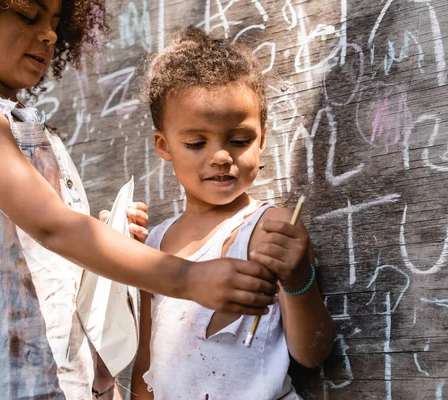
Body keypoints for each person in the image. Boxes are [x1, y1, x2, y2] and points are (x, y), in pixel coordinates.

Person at [0, 1, 279, 398]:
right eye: (28, 15)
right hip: (0, 382)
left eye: (56, 22)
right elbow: (54, 227)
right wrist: (189, 277)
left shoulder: (23, 123)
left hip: (64, 378)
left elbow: (49, 254)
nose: (50, 34)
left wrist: (111, 237)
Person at [131, 27, 335, 399]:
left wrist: (299, 277)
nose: (222, 156)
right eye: (196, 143)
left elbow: (312, 353)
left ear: (262, 138)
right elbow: (147, 362)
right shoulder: (154, 244)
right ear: (163, 145)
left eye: (239, 140)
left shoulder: (271, 229)